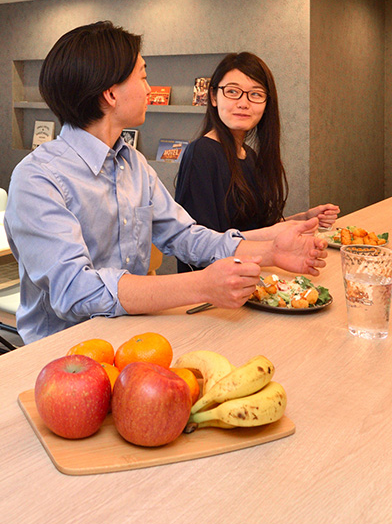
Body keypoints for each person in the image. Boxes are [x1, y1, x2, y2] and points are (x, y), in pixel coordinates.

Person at [4, 22, 327, 343]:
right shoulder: (38, 178)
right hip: (62, 350)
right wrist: (201, 285)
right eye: (143, 76)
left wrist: (271, 251)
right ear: (111, 93)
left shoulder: (133, 163)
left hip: (134, 338)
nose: (149, 90)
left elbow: (185, 236)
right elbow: (76, 290)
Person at [175, 52, 339, 273]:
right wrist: (277, 232)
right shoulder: (202, 153)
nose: (243, 103)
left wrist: (302, 219)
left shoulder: (249, 155)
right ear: (213, 97)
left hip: (253, 275)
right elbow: (201, 247)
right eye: (232, 92)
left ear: (266, 103)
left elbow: (257, 228)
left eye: (255, 94)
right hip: (216, 285)